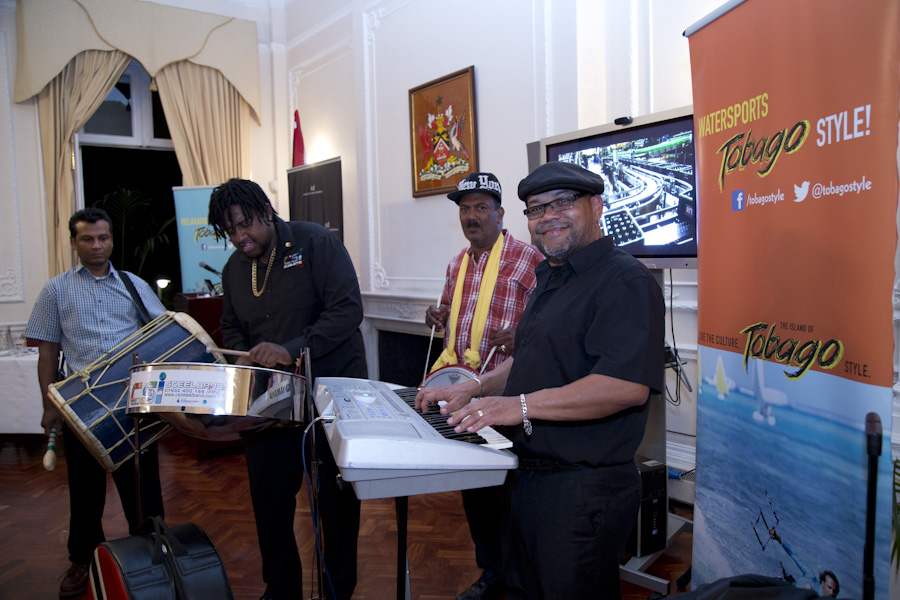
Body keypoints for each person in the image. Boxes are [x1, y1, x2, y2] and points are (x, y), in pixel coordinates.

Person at [416, 161, 665, 599]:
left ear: (596, 206)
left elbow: (624, 385)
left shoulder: (625, 279)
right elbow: (528, 357)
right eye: (536, 208)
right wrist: (474, 387)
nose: (548, 216)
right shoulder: (550, 275)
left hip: (581, 491)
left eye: (562, 202)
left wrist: (518, 406)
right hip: (529, 480)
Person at [208, 178, 367, 600]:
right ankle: (281, 590)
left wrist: (291, 348)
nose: (240, 237)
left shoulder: (314, 242)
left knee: (335, 500)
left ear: (266, 210)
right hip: (269, 401)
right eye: (230, 230)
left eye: (245, 224)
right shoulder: (234, 269)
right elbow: (230, 326)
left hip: (329, 392)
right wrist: (243, 356)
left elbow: (348, 310)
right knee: (269, 499)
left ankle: (336, 590)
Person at [25, 207, 166, 598]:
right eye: (87, 239)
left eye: (103, 238)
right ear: (74, 242)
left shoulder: (134, 284)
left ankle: (153, 551)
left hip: (133, 402)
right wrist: (50, 405)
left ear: (111, 240)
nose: (96, 245)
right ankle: (83, 560)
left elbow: (162, 333)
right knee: (84, 488)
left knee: (142, 485)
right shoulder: (55, 290)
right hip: (81, 405)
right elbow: (47, 353)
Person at [424, 171, 543, 600]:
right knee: (475, 490)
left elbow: (550, 324)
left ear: (500, 213)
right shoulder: (456, 263)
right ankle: (491, 575)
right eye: (464, 208)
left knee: (511, 493)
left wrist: (523, 334)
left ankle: (521, 580)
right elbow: (454, 327)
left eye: (480, 207)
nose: (471, 216)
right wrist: (436, 316)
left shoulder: (529, 259)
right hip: (464, 394)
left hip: (507, 395)